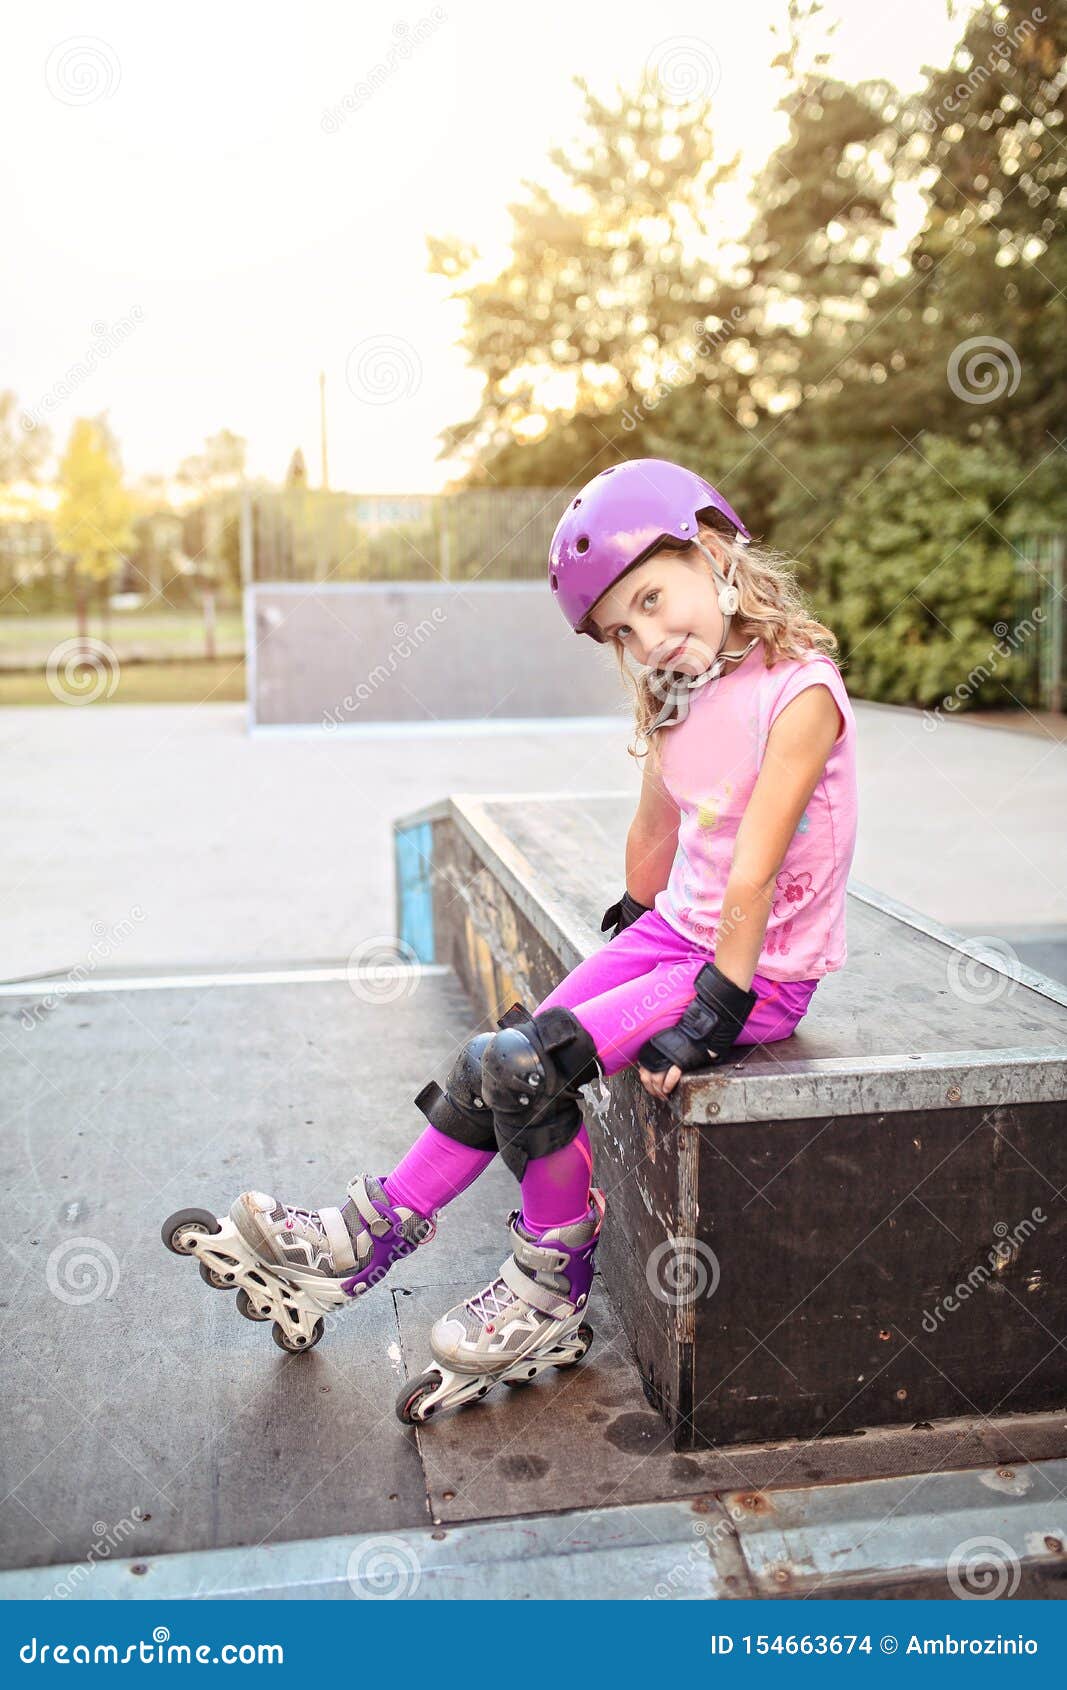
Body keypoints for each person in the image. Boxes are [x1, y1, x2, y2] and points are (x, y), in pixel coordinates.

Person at [198, 457, 858, 1406]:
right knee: (492, 1060)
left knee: (529, 1064)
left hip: (753, 970)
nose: (649, 639)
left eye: (653, 600)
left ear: (714, 551)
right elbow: (657, 827)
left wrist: (714, 1007)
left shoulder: (798, 692)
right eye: (622, 632)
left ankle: (550, 1289)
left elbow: (753, 868)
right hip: (677, 939)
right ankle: (361, 1237)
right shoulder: (681, 697)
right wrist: (632, 933)